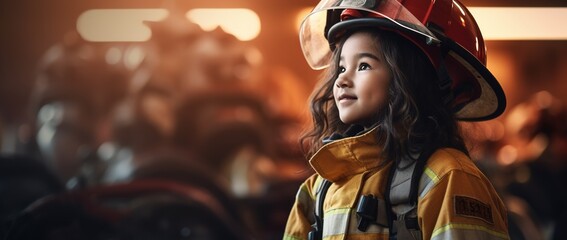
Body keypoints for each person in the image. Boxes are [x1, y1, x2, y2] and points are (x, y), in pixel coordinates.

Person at [284, 0, 510, 239]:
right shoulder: (319, 188)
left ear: (410, 80)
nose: (341, 81)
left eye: (363, 65)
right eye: (340, 68)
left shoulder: (449, 177)